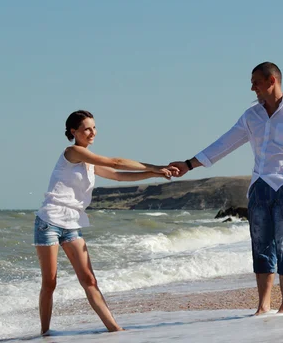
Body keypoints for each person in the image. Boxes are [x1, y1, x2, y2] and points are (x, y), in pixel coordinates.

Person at [169, 62, 283, 315]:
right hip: (260, 186)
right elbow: (225, 143)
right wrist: (189, 164)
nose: (252, 88)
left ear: (271, 81)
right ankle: (263, 307)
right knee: (261, 246)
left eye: (256, 82)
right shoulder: (251, 115)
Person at [35, 110, 178, 335]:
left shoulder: (89, 163)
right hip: (49, 221)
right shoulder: (72, 152)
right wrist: (154, 165)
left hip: (72, 224)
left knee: (89, 279)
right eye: (86, 129)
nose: (92, 132)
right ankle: (44, 333)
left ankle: (114, 328)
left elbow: (118, 175)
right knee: (50, 282)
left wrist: (155, 174)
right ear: (74, 132)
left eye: (94, 127)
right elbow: (116, 162)